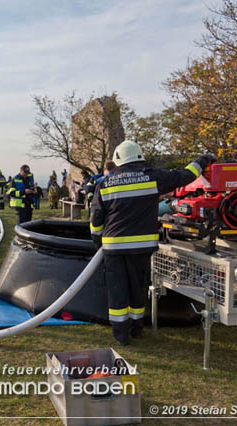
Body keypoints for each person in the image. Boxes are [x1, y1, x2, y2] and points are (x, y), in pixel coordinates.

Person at [90, 140, 216, 345]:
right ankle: (137, 327)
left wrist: (98, 242)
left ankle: (121, 334)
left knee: (117, 289)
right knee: (138, 287)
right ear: (140, 156)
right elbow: (186, 175)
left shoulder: (105, 184)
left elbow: (96, 219)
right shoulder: (153, 177)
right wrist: (203, 160)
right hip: (141, 247)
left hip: (113, 247)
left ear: (118, 160)